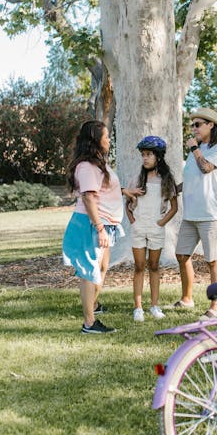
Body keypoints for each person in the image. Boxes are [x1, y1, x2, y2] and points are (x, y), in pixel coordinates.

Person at [62, 120, 142, 334]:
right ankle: (89, 323)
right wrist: (99, 228)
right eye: (106, 136)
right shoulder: (87, 166)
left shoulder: (97, 163)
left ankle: (93, 305)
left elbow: (102, 187)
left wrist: (124, 191)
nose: (109, 140)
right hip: (91, 224)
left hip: (105, 223)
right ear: (95, 140)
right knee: (90, 271)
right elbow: (88, 198)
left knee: (102, 266)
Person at [174, 107, 217, 319]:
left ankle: (216, 306)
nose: (194, 128)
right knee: (181, 255)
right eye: (192, 125)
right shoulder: (195, 151)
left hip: (211, 214)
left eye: (198, 125)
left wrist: (195, 149)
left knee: (212, 260)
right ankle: (187, 299)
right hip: (191, 214)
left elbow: (205, 168)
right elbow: (191, 178)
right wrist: (172, 190)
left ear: (211, 125)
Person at [126, 136, 178, 322]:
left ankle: (154, 306)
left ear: (158, 157)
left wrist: (161, 223)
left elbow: (174, 208)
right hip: (139, 227)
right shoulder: (137, 179)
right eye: (143, 155)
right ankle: (138, 307)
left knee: (154, 266)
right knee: (139, 266)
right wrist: (132, 219)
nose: (145, 158)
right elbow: (128, 202)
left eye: (149, 155)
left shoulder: (166, 180)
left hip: (156, 228)